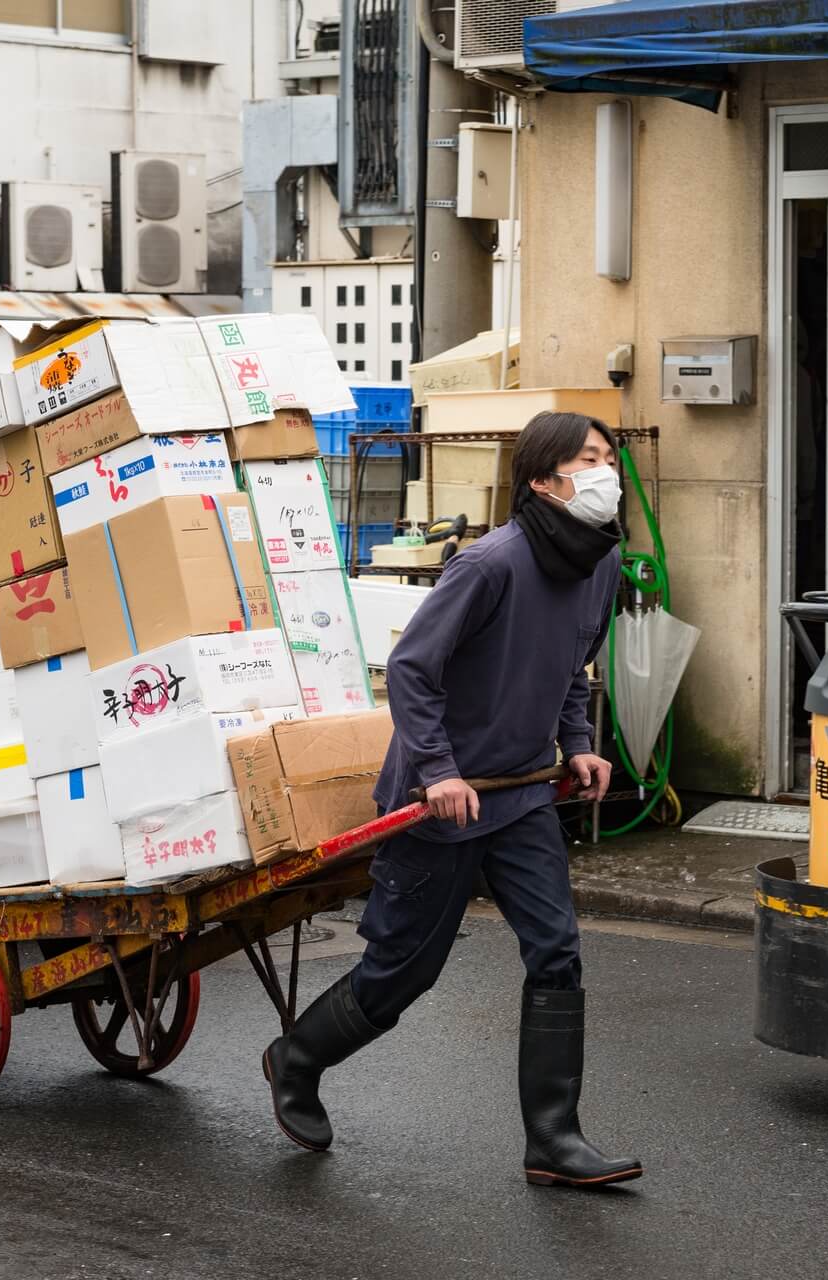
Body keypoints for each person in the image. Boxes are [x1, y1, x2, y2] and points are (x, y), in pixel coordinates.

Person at [262, 411, 644, 1189]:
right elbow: (411, 669)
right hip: (441, 801)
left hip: (523, 795)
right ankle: (296, 1058)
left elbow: (571, 668)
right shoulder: (489, 565)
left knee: (557, 953)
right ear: (541, 481)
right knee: (405, 970)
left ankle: (553, 1139)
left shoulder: (599, 566)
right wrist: (436, 769)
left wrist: (576, 745)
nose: (603, 473)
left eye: (608, 458)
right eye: (585, 460)